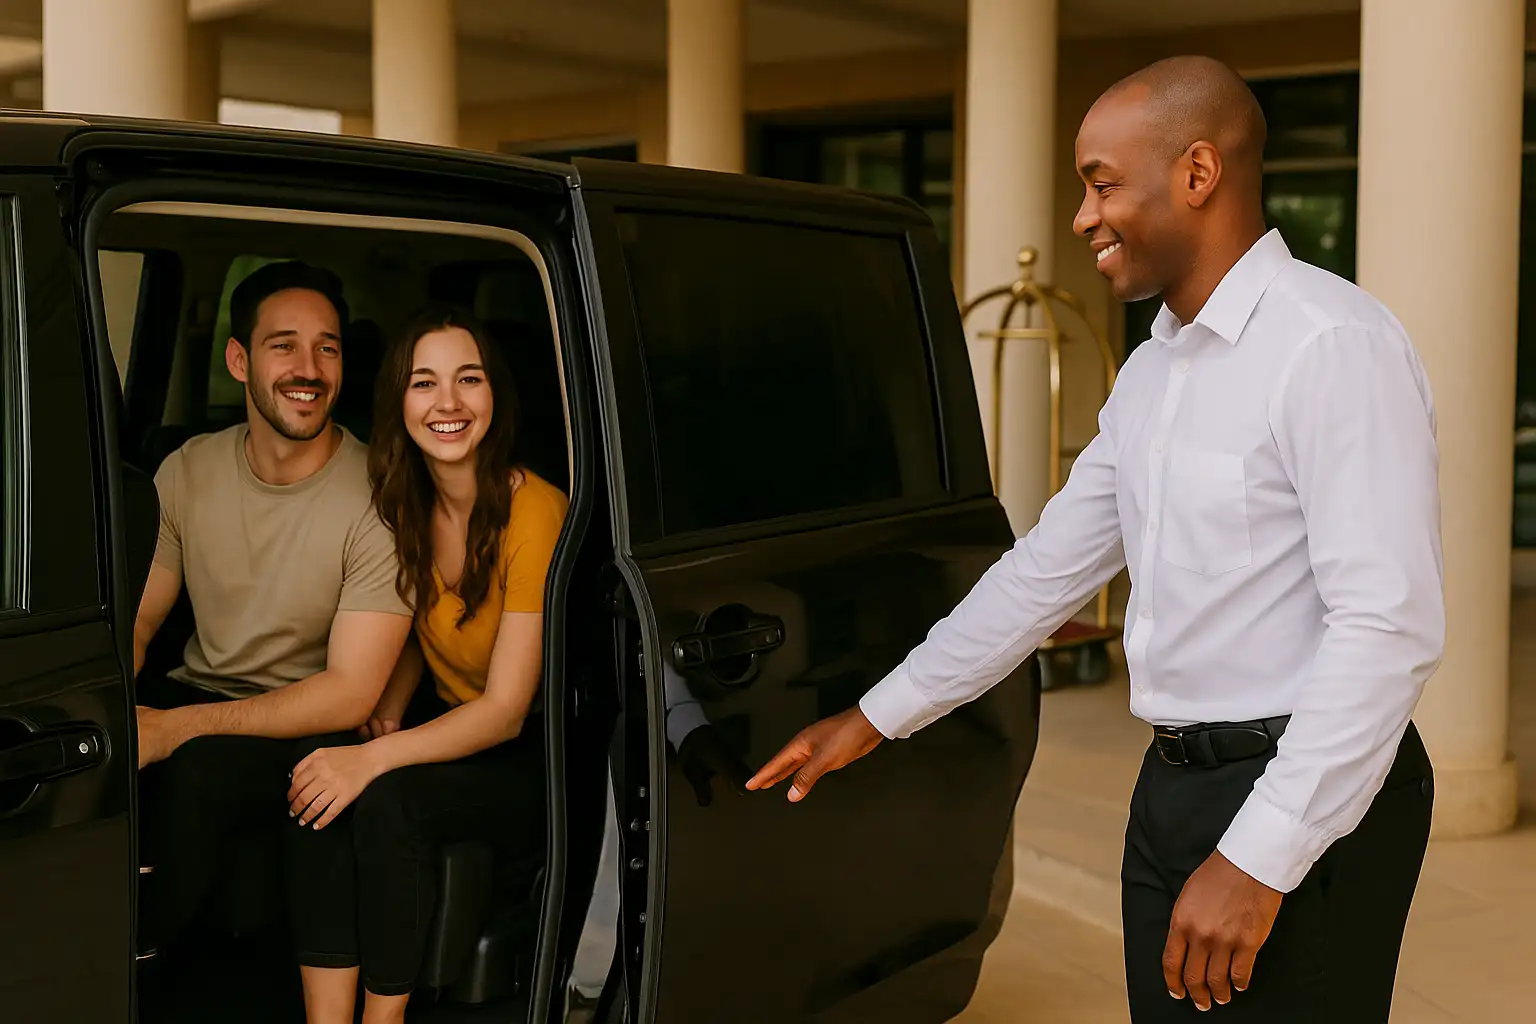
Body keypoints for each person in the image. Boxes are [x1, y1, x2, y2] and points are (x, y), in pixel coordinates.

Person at [748, 55, 1443, 1024]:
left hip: (1302, 794)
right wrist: (874, 716)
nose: (1082, 217)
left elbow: (1388, 626)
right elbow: (1042, 573)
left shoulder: (1331, 343)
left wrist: (1258, 855)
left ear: (1197, 173)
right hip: (1170, 788)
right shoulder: (1155, 370)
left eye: (1102, 182)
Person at [285, 307, 565, 1024]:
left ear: (494, 395)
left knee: (382, 796)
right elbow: (421, 624)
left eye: (467, 380)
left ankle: (384, 1020)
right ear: (398, 403)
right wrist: (390, 704)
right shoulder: (402, 499)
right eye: (424, 383)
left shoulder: (534, 510)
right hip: (451, 722)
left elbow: (504, 711)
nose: (447, 403)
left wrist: (377, 760)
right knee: (319, 780)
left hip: (534, 753)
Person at [132, 261, 415, 962]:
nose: (309, 368)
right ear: (238, 359)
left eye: (328, 347)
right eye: (283, 344)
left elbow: (351, 692)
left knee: (192, 775)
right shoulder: (187, 469)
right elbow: (139, 623)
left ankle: (134, 956)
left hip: (305, 720)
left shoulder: (380, 495)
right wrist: (111, 704)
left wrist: (172, 731)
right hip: (199, 691)